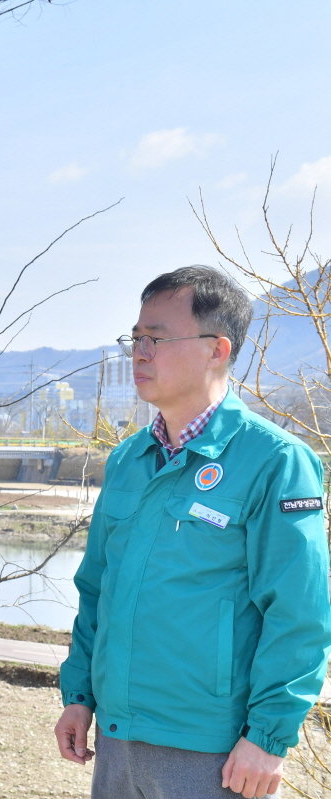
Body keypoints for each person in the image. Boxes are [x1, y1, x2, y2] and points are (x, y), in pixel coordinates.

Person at [54, 265, 331, 799]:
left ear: (216, 349)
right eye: (134, 338)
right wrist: (80, 693)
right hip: (117, 736)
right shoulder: (129, 459)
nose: (138, 352)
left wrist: (269, 738)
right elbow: (97, 590)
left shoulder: (275, 461)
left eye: (155, 338)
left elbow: (298, 613)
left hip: (215, 749)